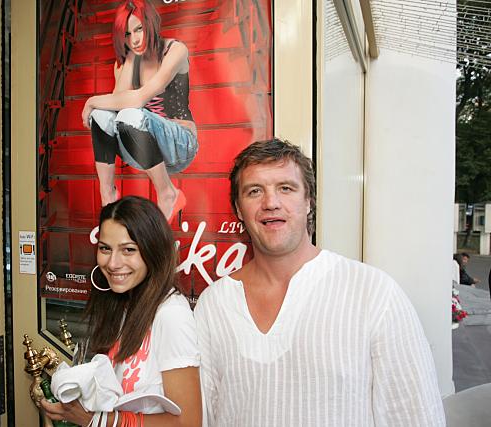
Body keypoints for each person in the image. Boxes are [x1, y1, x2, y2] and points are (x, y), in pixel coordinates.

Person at [194, 139, 445, 426]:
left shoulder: (373, 293)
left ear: (308, 202)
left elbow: (414, 415)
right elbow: (202, 417)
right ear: (239, 210)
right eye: (254, 191)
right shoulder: (214, 304)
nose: (271, 203)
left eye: (286, 188)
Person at [42, 196, 201, 425]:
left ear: (153, 250)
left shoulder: (171, 314)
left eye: (128, 250)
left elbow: (188, 422)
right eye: (105, 248)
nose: (113, 263)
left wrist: (98, 420)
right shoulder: (124, 303)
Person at [82, 0, 198, 223]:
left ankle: (167, 193)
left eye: (139, 29)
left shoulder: (175, 50)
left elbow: (139, 98)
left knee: (128, 113)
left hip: (179, 146)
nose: (134, 39)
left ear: (150, 24)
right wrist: (131, 59)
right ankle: (107, 195)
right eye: (126, 34)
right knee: (101, 115)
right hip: (142, 150)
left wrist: (92, 100)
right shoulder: (129, 59)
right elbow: (116, 105)